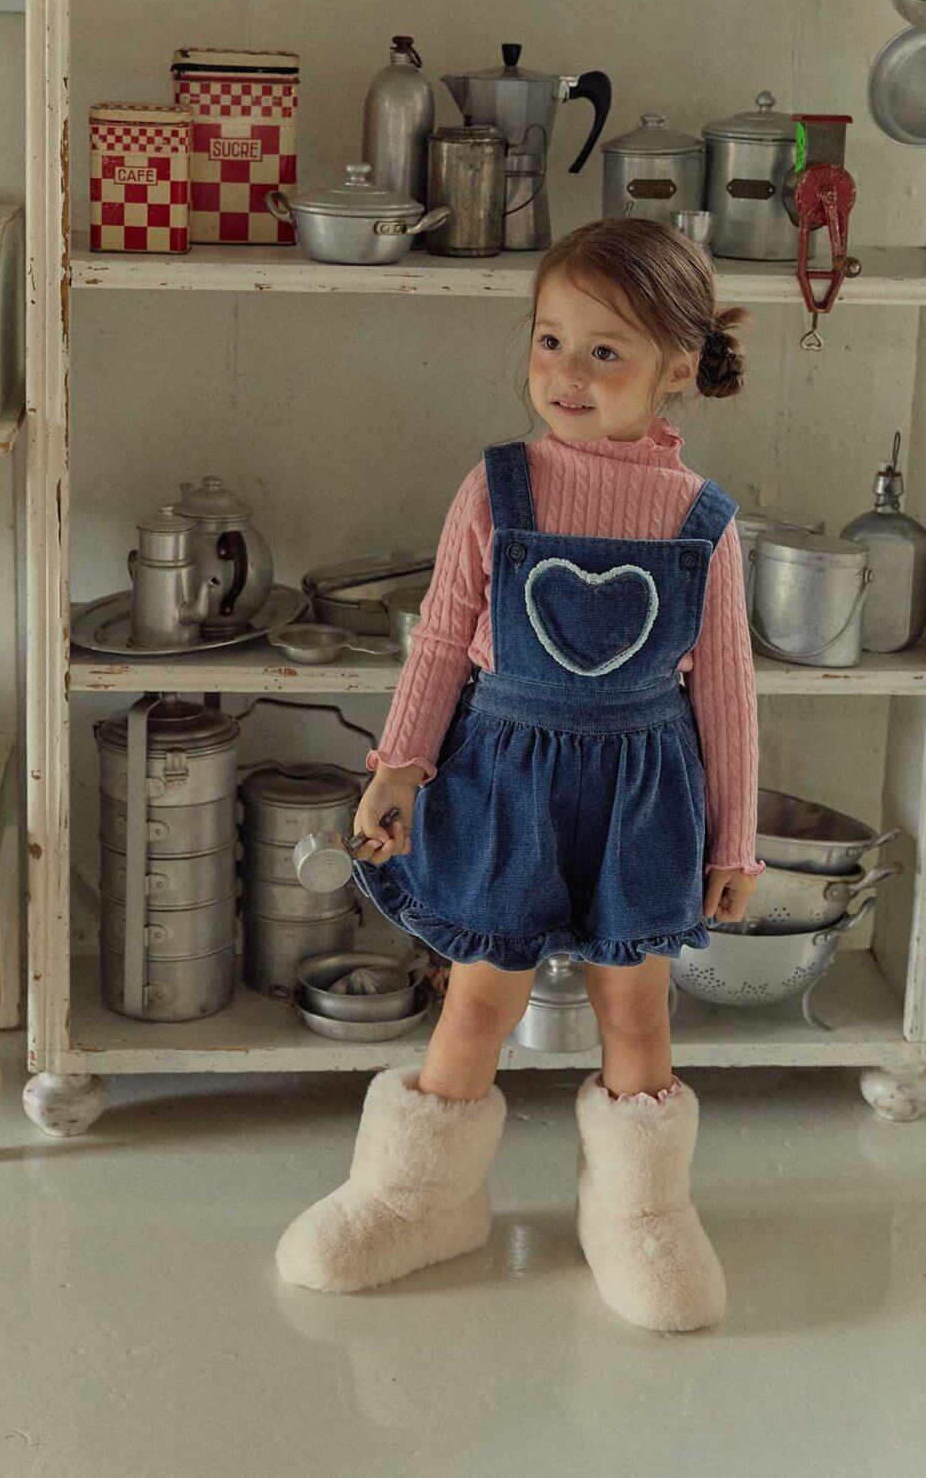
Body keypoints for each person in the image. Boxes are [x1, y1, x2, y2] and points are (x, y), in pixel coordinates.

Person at [275, 217, 761, 1332]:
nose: (566, 373)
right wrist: (398, 766)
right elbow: (442, 640)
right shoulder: (495, 488)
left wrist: (733, 838)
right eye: (549, 341)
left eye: (605, 350)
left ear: (676, 364)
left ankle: (639, 1212)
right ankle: (417, 1197)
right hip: (503, 783)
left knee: (635, 1010)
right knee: (477, 998)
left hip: (640, 798)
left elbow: (728, 694)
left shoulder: (703, 522)